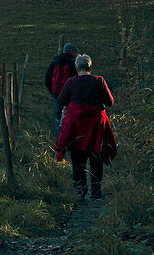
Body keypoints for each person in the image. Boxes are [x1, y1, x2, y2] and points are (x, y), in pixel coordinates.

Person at [55, 54, 117, 202]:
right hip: (95, 126)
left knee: (77, 159)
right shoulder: (99, 81)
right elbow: (109, 102)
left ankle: (80, 191)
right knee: (96, 157)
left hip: (76, 126)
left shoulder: (71, 82)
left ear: (76, 67)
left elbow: (60, 101)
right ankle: (96, 191)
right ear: (90, 67)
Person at [44, 42, 79, 139]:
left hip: (57, 94)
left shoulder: (55, 62)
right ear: (72, 52)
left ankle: (58, 139)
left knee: (58, 116)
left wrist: (53, 92)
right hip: (70, 95)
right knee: (71, 116)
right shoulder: (73, 64)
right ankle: (70, 138)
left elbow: (47, 79)